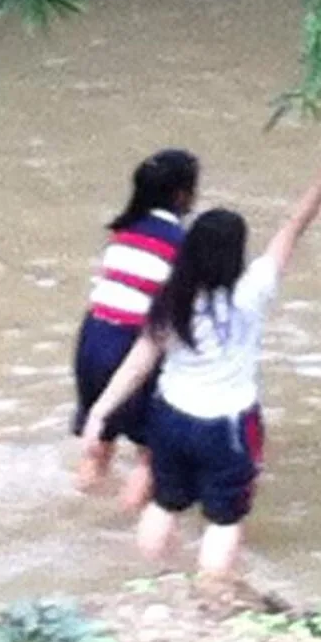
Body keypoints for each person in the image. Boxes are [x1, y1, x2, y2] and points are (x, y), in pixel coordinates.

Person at [78, 134, 321, 581]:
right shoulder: (252, 292)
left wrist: (99, 412)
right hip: (226, 426)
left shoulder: (169, 299)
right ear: (236, 255)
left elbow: (138, 362)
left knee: (165, 504)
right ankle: (210, 600)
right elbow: (295, 225)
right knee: (224, 521)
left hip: (169, 418)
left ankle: (147, 588)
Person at [71, 148, 201, 510]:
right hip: (132, 342)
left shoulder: (123, 231)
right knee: (151, 452)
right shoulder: (181, 242)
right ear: (180, 195)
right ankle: (121, 529)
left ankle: (82, 504)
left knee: (100, 438)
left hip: (93, 337)